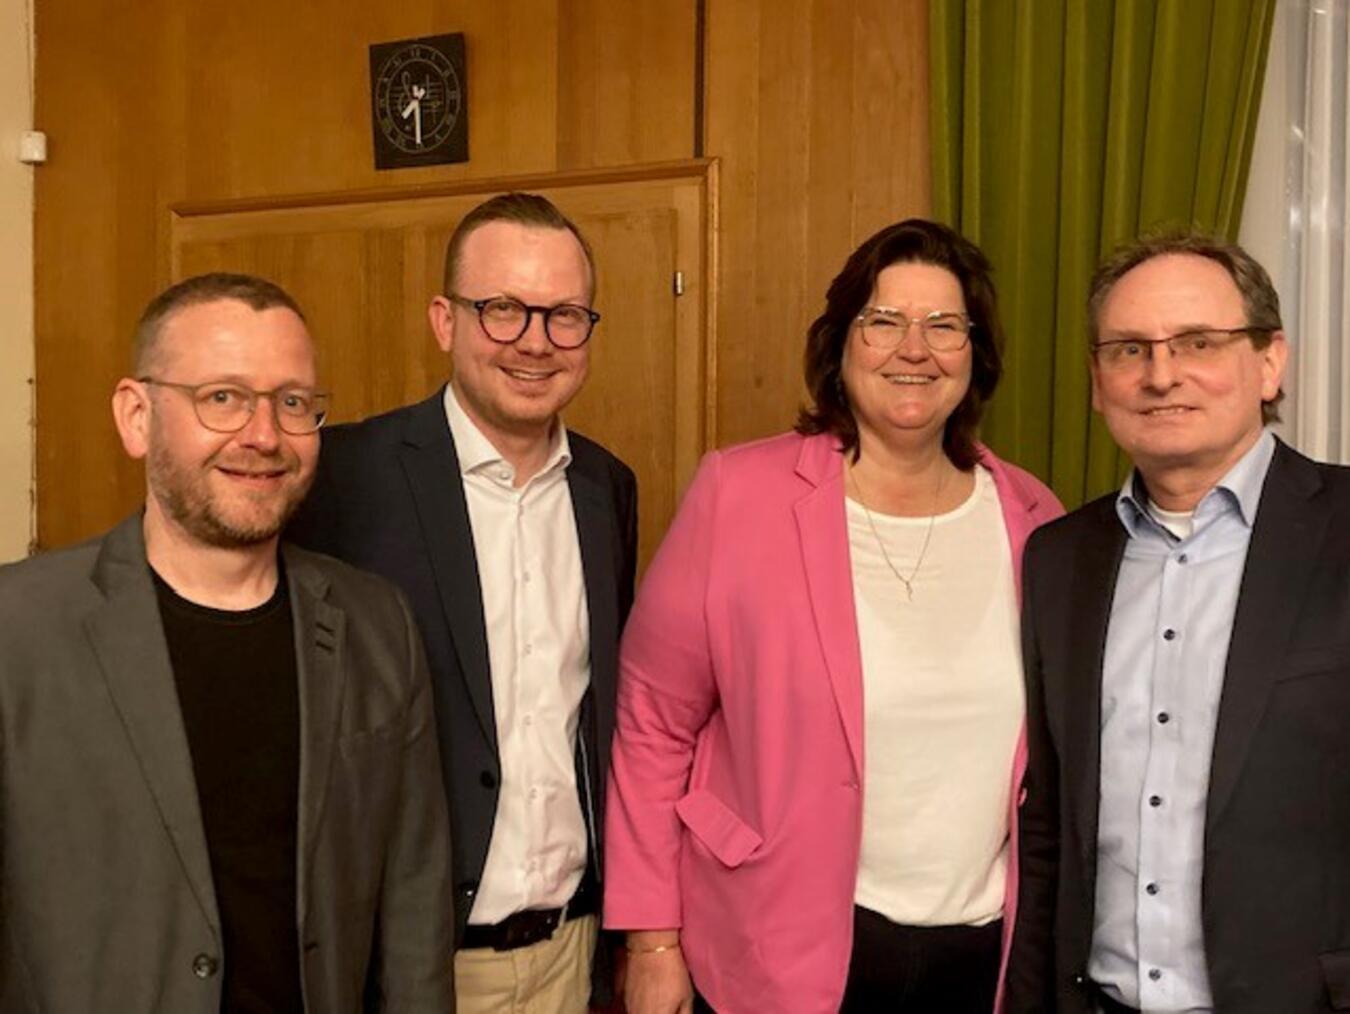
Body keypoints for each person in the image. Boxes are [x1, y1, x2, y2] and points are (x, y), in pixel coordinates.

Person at [604, 218, 1063, 1013]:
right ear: (841, 344)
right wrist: (651, 937)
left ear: (976, 355)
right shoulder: (738, 496)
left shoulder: (1033, 517)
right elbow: (653, 723)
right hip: (773, 941)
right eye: (883, 321)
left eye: (944, 326)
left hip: (981, 953)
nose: (912, 349)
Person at [0, 272, 453, 1012]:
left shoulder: (378, 626)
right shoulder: (17, 630)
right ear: (136, 415)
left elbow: (412, 908)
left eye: (293, 402)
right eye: (223, 398)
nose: (264, 435)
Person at [288, 192, 637, 1013]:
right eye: (503, 310)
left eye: (564, 316)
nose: (535, 343)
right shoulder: (343, 478)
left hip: (571, 953)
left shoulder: (605, 488)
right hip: (410, 963)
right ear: (445, 320)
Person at [1005, 234, 1350, 1014]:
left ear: (1270, 362)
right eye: (1130, 349)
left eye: (1199, 342)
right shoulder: (1058, 560)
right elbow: (1048, 829)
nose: (1161, 375)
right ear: (1098, 381)